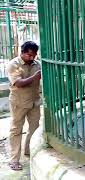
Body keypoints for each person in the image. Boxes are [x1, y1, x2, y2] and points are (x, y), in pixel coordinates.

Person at [6, 41, 41, 171]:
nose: (32, 58)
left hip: (34, 102)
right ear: (23, 52)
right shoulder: (13, 65)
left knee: (34, 128)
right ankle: (14, 160)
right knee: (16, 130)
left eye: (35, 55)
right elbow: (18, 83)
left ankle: (29, 150)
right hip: (18, 103)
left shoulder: (37, 64)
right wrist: (35, 77)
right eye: (30, 55)